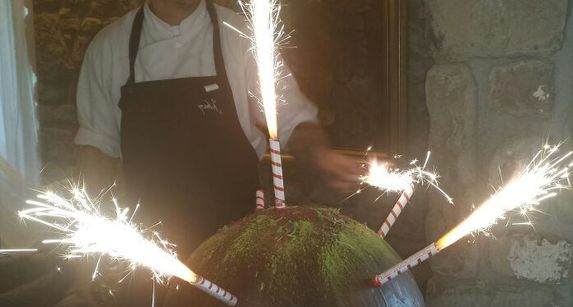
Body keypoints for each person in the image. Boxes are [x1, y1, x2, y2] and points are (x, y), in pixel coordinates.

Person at [75, 0, 361, 256]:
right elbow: (96, 153)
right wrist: (85, 262)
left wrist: (322, 157)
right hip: (152, 251)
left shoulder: (242, 36)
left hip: (239, 243)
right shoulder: (109, 47)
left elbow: (291, 120)